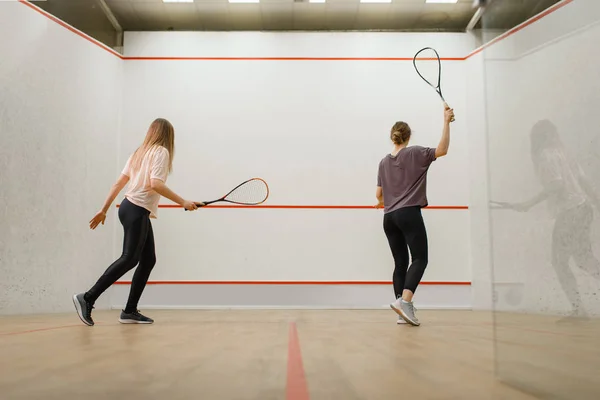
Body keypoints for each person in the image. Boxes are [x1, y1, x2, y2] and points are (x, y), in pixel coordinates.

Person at [73, 118, 202, 326]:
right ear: (169, 136)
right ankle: (87, 297)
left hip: (128, 208)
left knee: (148, 259)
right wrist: (182, 202)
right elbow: (156, 184)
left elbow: (119, 183)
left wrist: (104, 209)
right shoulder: (161, 152)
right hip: (137, 209)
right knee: (130, 258)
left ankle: (129, 311)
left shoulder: (138, 153)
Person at [375, 105, 454, 326]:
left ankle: (402, 310)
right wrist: (446, 121)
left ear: (393, 138)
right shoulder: (415, 153)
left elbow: (378, 195)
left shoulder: (383, 162)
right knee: (420, 258)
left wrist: (382, 202)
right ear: (408, 137)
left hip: (388, 218)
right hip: (408, 213)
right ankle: (405, 303)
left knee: (400, 263)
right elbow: (442, 149)